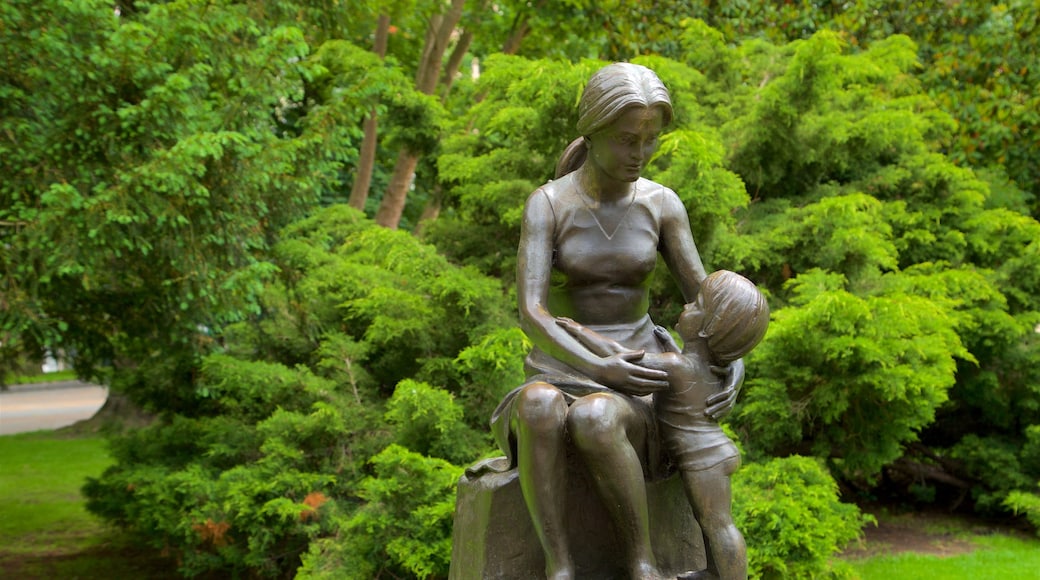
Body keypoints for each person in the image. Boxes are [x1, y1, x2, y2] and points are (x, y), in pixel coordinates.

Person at [491, 62, 743, 580]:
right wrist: (596, 366)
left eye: (651, 140)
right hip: (561, 363)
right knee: (538, 407)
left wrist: (731, 364)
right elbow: (532, 312)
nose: (640, 153)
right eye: (628, 140)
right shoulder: (549, 205)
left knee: (598, 417)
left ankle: (641, 564)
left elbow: (709, 299)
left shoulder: (661, 205)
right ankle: (559, 566)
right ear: (594, 130)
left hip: (640, 370)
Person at [558, 270, 769, 580]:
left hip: (702, 459)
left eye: (696, 305)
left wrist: (579, 330)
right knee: (712, 521)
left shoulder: (676, 366)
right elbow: (684, 367)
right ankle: (712, 572)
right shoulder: (710, 366)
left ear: (710, 328)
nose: (686, 307)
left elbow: (621, 356)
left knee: (717, 524)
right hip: (710, 454)